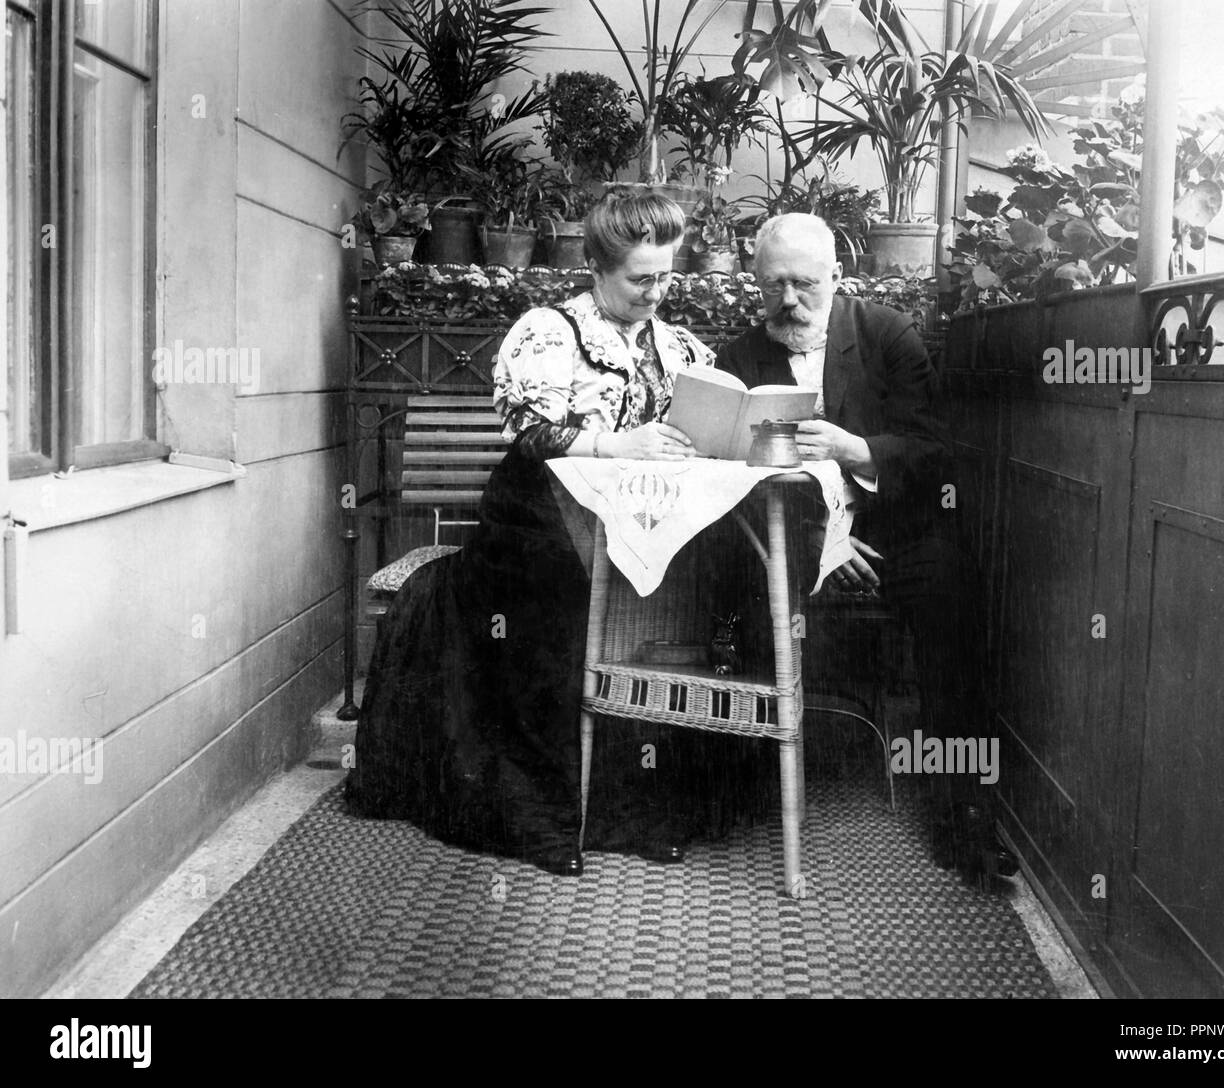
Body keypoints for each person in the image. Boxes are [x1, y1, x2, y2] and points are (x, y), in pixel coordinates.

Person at [345, 188, 758, 877]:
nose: (657, 292)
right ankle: (546, 813)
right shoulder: (549, 331)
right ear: (597, 267)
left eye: (666, 276)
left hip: (633, 512)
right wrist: (618, 445)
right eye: (640, 279)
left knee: (665, 605)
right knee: (559, 608)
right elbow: (533, 432)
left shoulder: (677, 345)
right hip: (536, 510)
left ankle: (630, 806)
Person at [715, 213, 1017, 889]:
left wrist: (859, 451)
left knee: (952, 602)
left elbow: (935, 451)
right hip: (794, 532)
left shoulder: (886, 334)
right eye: (772, 286)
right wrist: (818, 537)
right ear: (754, 283)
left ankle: (966, 812)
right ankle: (738, 791)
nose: (787, 301)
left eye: (804, 284)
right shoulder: (739, 358)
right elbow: (731, 478)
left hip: (895, 529)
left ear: (837, 278)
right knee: (735, 589)